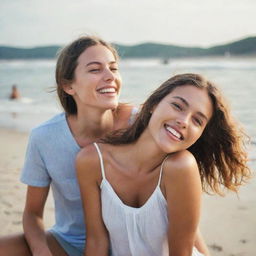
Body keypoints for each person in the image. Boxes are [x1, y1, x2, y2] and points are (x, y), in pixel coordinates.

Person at [76, 73, 251, 256]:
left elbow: (181, 252)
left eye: (197, 121)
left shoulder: (181, 167)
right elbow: (96, 241)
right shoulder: (92, 161)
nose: (183, 121)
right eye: (177, 106)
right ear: (153, 104)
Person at [0, 36, 137, 256]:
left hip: (132, 245)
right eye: (95, 70)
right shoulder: (44, 137)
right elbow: (32, 214)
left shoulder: (139, 125)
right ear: (68, 85)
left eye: (113, 68)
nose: (110, 76)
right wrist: (40, 250)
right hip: (69, 243)